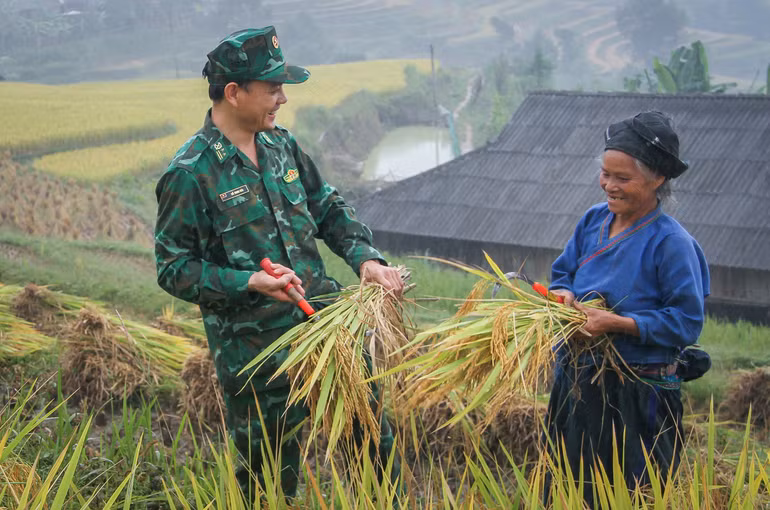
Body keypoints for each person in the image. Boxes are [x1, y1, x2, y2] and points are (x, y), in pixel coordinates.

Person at [154, 26, 403, 499]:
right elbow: (173, 268)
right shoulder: (191, 173)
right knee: (267, 482)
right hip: (256, 354)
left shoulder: (280, 146)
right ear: (234, 92)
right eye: (273, 88)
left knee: (373, 447)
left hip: (326, 328)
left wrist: (365, 259)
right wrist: (249, 281)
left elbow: (327, 207)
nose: (283, 98)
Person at [544, 111, 710, 505]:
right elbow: (562, 274)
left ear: (658, 179)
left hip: (637, 398)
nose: (608, 185)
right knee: (568, 492)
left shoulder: (671, 243)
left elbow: (686, 322)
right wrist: (564, 297)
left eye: (622, 178)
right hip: (578, 386)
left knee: (630, 495)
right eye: (605, 174)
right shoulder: (592, 221)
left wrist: (615, 323)